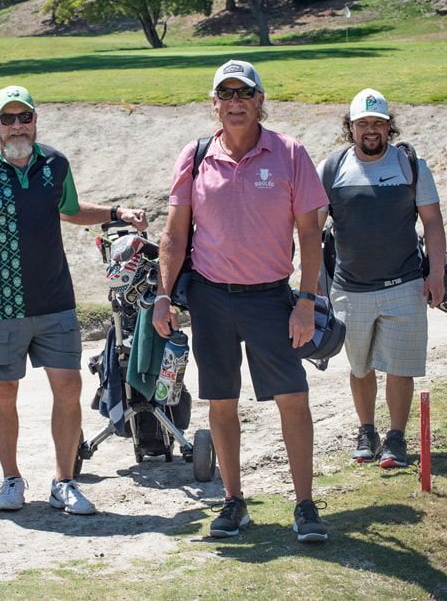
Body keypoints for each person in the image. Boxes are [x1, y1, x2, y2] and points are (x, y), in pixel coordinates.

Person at [152, 60, 330, 542]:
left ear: (259, 101)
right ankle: (234, 502)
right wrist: (164, 295)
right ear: (214, 103)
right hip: (210, 298)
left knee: (293, 397)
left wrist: (307, 301)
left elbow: (309, 234)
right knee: (221, 401)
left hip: (270, 298)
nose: (235, 103)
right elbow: (174, 234)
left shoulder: (289, 152)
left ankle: (305, 505)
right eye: (226, 94)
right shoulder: (195, 156)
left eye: (244, 93)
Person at [0, 85, 147, 515]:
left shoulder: (55, 164)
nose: (17, 126)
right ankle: (11, 478)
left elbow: (70, 210)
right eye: (8, 119)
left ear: (35, 120)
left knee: (69, 386)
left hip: (55, 300)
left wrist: (117, 213)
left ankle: (64, 481)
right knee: (4, 392)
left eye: (25, 117)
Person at [317, 88, 446, 469]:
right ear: (351, 127)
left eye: (378, 123)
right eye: (363, 123)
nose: (371, 130)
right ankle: (367, 432)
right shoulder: (331, 168)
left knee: (400, 368)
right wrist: (312, 285)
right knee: (360, 367)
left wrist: (436, 273)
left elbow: (433, 222)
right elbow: (311, 229)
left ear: (389, 126)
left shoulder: (412, 166)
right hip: (349, 289)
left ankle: (396, 438)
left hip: (405, 284)